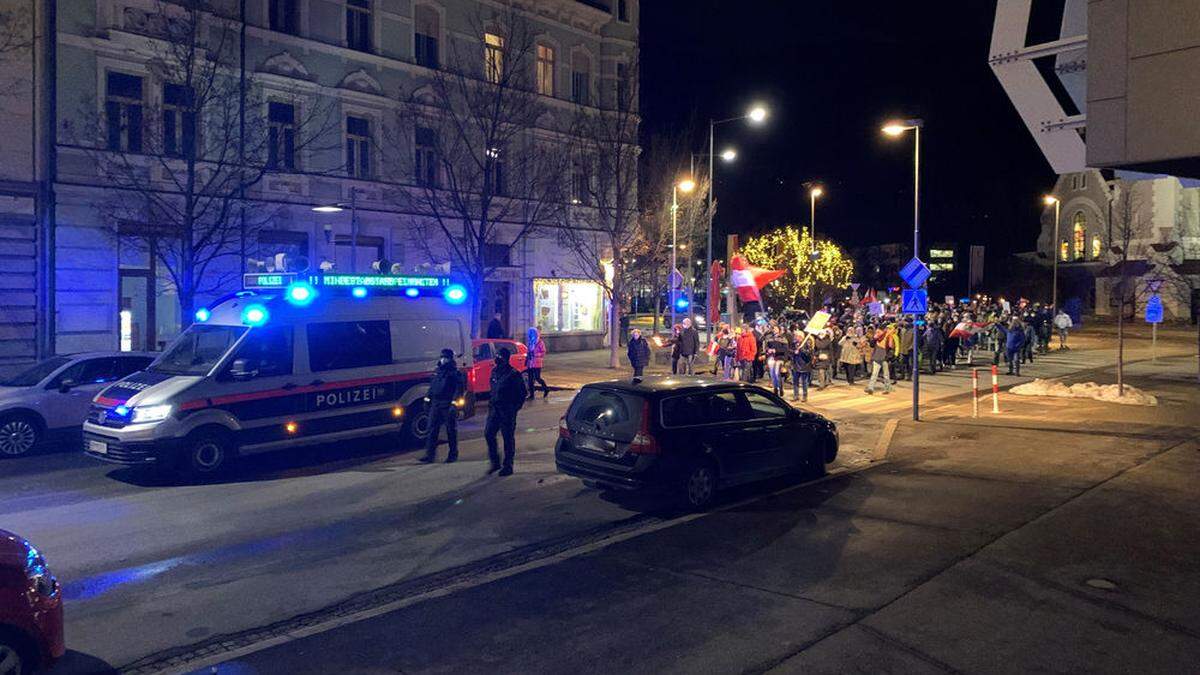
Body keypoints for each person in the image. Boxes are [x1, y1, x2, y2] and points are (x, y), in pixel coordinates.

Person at [419, 348, 466, 464]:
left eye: (445, 357)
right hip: (436, 403)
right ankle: (430, 455)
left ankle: (453, 454)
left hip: (447, 403)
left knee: (451, 431)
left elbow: (458, 390)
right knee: (432, 429)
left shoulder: (454, 373)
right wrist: (427, 399)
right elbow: (432, 387)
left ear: (450, 359)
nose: (443, 359)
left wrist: (453, 405)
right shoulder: (438, 371)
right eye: (442, 357)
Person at [485, 347, 526, 476]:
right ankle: (495, 462)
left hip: (507, 411)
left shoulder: (513, 374)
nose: (496, 358)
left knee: (507, 438)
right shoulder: (495, 372)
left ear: (504, 358)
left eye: (498, 356)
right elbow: (492, 389)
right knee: (488, 434)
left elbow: (522, 394)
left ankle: (508, 465)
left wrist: (514, 408)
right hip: (495, 410)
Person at [524, 327, 549, 399]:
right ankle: (531, 395)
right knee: (530, 379)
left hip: (537, 363)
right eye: (529, 333)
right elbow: (528, 351)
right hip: (530, 363)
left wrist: (536, 355)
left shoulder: (540, 342)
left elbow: (543, 352)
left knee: (537, 378)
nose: (530, 335)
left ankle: (546, 389)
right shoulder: (529, 342)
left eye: (532, 333)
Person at [764, 326, 789, 397]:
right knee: (772, 374)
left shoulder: (783, 338)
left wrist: (776, 350)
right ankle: (775, 388)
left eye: (776, 329)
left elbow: (785, 349)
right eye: (773, 329)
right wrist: (768, 350)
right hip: (771, 357)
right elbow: (767, 347)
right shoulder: (770, 338)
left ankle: (780, 388)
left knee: (777, 373)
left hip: (780, 358)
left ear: (779, 330)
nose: (774, 330)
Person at [790, 331, 813, 402]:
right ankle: (796, 395)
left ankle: (804, 396)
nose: (796, 337)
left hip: (804, 366)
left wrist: (801, 350)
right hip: (796, 365)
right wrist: (794, 352)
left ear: (801, 337)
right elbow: (790, 351)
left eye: (797, 336)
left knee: (804, 382)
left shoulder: (807, 343)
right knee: (795, 381)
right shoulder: (794, 343)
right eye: (795, 336)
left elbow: (809, 353)